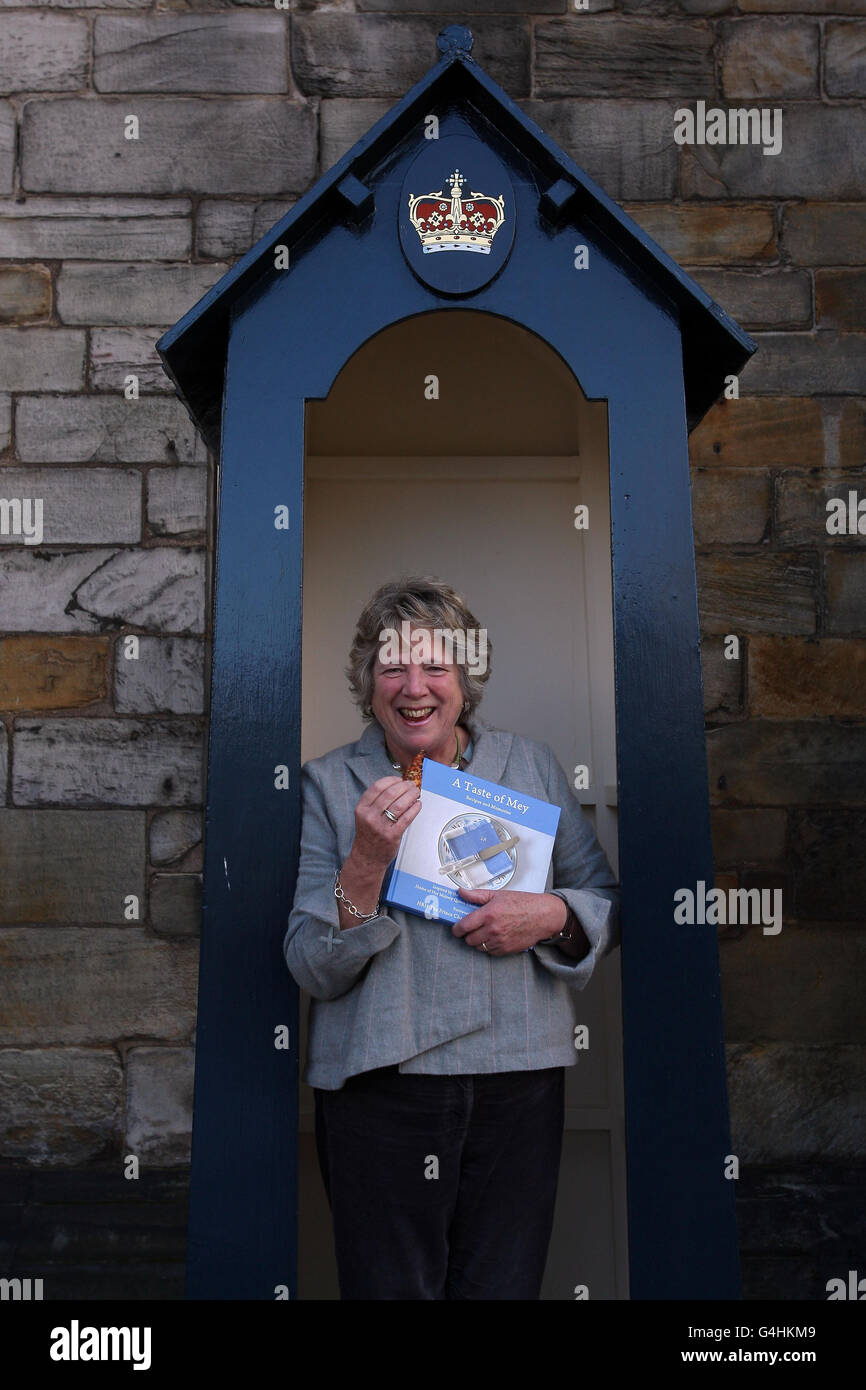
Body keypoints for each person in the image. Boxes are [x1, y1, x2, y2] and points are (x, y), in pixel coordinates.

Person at [284, 575, 620, 1300]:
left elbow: (606, 903)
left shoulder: (530, 766)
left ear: (467, 681)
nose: (415, 688)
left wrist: (551, 915)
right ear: (367, 681)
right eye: (392, 667)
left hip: (518, 1076)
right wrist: (365, 861)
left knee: (502, 1288)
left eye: (436, 666)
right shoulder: (328, 784)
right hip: (381, 1083)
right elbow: (312, 965)